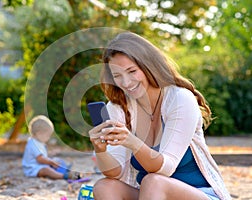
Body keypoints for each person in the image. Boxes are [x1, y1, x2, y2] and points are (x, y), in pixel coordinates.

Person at [89, 32, 231, 200]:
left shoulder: (179, 99)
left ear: (148, 66)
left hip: (199, 194)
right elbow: (115, 173)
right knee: (105, 187)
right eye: (117, 76)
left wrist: (133, 142)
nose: (126, 83)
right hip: (150, 196)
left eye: (132, 71)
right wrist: (101, 150)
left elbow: (165, 168)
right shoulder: (118, 108)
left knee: (154, 181)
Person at [22, 115, 79, 180]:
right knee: (47, 170)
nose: (48, 138)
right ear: (39, 133)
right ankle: (63, 176)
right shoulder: (33, 144)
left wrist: (51, 154)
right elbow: (40, 159)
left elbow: (43, 155)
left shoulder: (39, 143)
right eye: (47, 135)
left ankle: (64, 169)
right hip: (33, 169)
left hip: (40, 165)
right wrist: (51, 162)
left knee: (56, 160)